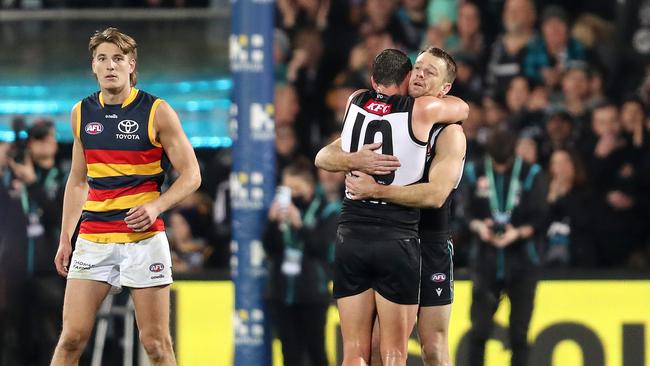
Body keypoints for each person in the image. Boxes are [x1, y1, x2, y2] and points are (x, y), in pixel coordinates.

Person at [50, 27, 201, 366]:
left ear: (132, 65)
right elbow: (77, 181)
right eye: (102, 59)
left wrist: (156, 206)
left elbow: (192, 175)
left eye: (118, 59)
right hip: (93, 239)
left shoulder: (156, 111)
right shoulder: (81, 113)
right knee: (71, 338)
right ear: (93, 66)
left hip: (143, 241)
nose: (110, 66)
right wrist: (65, 238)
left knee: (157, 345)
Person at [315, 47, 468, 366]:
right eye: (419, 67)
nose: (421, 74)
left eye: (431, 72)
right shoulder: (388, 114)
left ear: (444, 88)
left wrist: (376, 190)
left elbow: (436, 195)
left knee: (433, 346)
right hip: (395, 238)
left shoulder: (449, 132)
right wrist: (353, 158)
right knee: (373, 347)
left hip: (430, 242)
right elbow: (325, 156)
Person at [463, 128, 547, 366]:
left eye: (504, 164)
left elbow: (542, 217)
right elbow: (464, 212)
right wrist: (479, 226)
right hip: (485, 261)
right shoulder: (474, 171)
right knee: (479, 331)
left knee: (519, 335)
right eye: (495, 163)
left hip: (522, 261)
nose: (499, 169)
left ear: (513, 156)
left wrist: (518, 233)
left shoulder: (531, 173)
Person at [263, 160, 342, 366]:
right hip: (282, 293)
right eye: (288, 188)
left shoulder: (328, 210)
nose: (292, 193)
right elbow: (270, 248)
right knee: (290, 354)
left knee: (316, 351)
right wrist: (272, 223)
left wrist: (299, 224)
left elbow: (323, 247)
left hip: (312, 293)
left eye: (296, 188)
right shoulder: (283, 210)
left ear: (308, 186)